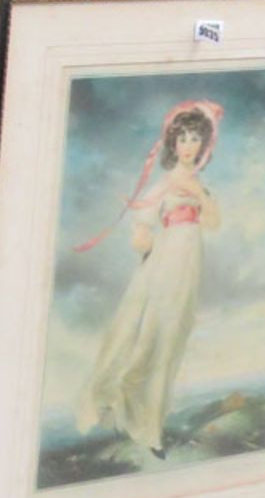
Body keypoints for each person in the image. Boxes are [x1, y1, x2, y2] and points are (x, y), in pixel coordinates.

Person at [73, 100, 223, 458]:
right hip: (165, 263)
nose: (188, 146)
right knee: (152, 338)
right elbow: (141, 229)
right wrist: (146, 240)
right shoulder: (166, 184)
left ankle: (145, 417)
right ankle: (146, 426)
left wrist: (199, 195)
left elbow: (213, 223)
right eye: (183, 139)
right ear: (173, 144)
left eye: (194, 139)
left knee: (172, 341)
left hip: (189, 266)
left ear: (204, 145)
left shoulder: (199, 185)